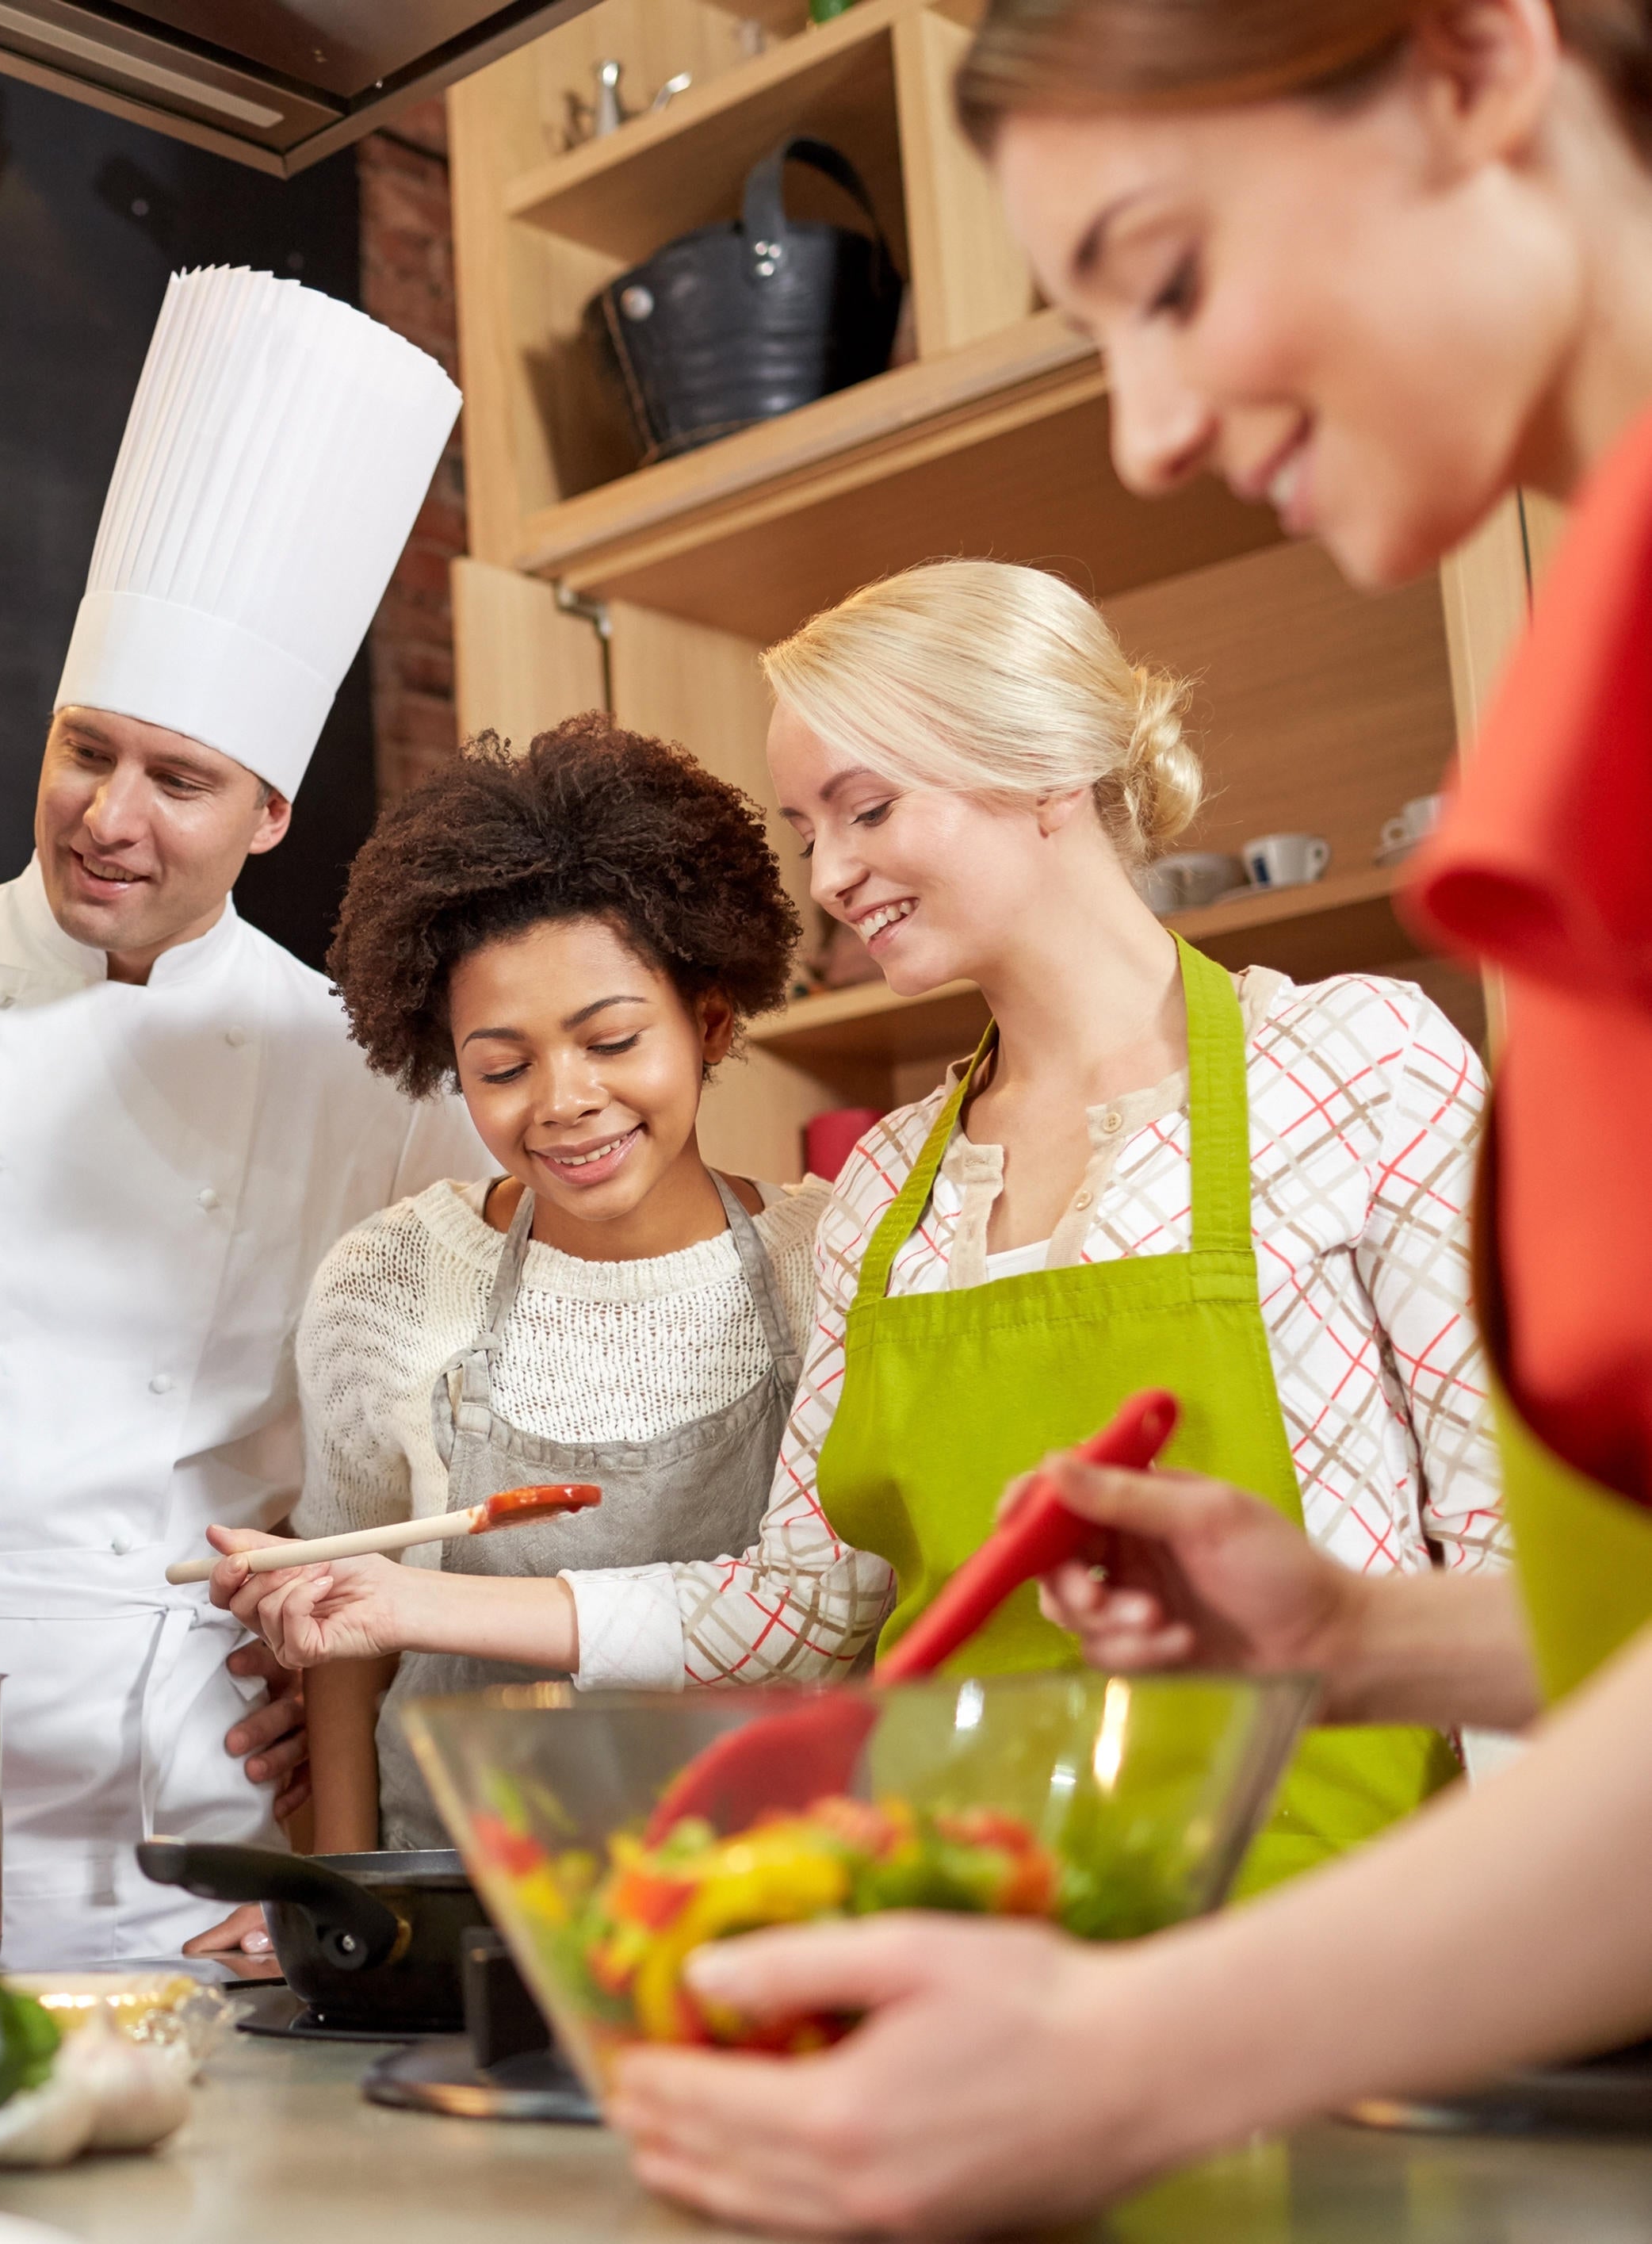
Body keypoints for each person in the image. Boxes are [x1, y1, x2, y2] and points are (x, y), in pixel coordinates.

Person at [600, 2, 1652, 2227]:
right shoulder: (1586, 742)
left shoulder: (1367, 1050)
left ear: (1474, 61)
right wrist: (1351, 1639)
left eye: (1164, 275)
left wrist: (1126, 2053)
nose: (1151, 432)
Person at [234, 559, 1501, 1894]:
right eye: (805, 829)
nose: (831, 875)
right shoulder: (892, 1189)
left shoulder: (1359, 1067)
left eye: (870, 808)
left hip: (1334, 1905)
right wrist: (394, 1599)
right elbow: (803, 1605)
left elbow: (1506, 1546)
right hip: (968, 1908)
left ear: (1049, 774)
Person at [0, 266, 482, 1966]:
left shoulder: (373, 1070)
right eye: (86, 749)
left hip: (188, 1784)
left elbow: (452, 1467)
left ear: (270, 810)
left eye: (177, 781)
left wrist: (339, 1736)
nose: (106, 814)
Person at [214, 719, 828, 1854]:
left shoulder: (826, 1263)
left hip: (760, 1892)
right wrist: (356, 1905)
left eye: (612, 1039)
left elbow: (834, 1612)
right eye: (502, 1067)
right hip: (459, 1891)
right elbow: (350, 1641)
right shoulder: (392, 1282)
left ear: (710, 1021)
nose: (563, 1099)